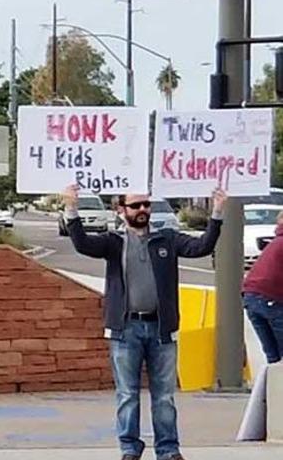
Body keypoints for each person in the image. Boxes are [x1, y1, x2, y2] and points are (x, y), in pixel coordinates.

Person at [62, 184, 227, 460]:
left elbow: (201, 247)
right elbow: (82, 244)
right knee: (127, 394)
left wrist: (218, 213)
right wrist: (71, 208)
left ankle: (168, 450)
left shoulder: (167, 240)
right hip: (125, 329)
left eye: (146, 205)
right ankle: (129, 448)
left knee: (164, 396)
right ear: (121, 210)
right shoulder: (113, 242)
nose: (142, 210)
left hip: (161, 330)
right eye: (136, 206)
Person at [242, 210, 283, 364]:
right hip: (271, 299)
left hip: (252, 297)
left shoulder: (276, 242)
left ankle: (272, 387)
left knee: (273, 356)